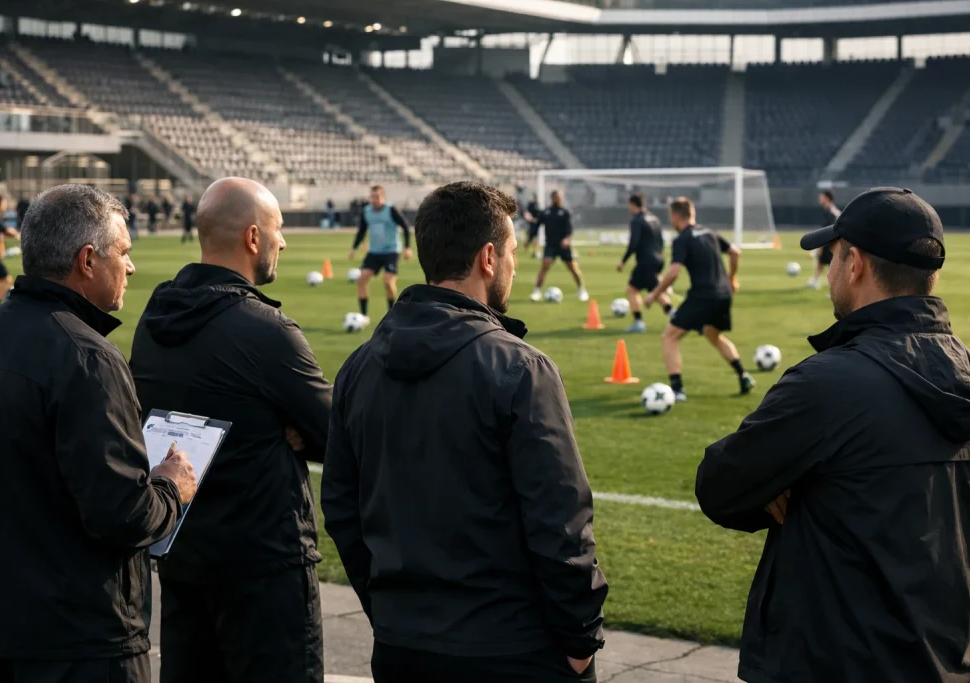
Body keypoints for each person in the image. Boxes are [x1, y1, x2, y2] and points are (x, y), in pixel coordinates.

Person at [696, 187, 970, 683]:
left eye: (833, 257)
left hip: (828, 663)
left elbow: (718, 486)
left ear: (855, 264)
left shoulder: (827, 383)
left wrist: (786, 488)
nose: (830, 271)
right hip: (940, 661)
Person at [323, 181, 609, 683]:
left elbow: (342, 509)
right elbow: (560, 520)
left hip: (402, 646)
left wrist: (389, 613)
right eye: (513, 252)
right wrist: (580, 640)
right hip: (510, 649)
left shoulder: (358, 367)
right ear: (489, 258)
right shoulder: (521, 368)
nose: (515, 266)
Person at [0, 184, 196, 683]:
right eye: (123, 252)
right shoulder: (87, 357)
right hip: (78, 640)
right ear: (88, 260)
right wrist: (171, 487)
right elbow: (123, 513)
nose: (131, 267)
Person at [130, 177, 333, 683]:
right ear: (253, 237)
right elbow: (340, 433)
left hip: (184, 557)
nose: (283, 242)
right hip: (265, 569)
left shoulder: (154, 320)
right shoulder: (267, 331)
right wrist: (299, 431)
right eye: (278, 229)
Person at [645, 197, 754, 401]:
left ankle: (677, 390)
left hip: (702, 296)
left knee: (669, 337)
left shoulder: (682, 239)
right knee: (713, 335)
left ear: (676, 216)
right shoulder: (710, 232)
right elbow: (734, 252)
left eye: (671, 217)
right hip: (723, 294)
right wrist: (731, 278)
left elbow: (674, 272)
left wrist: (654, 294)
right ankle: (743, 375)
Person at [348, 185, 411, 322]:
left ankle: (392, 315)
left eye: (377, 196)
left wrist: (407, 247)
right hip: (374, 252)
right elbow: (362, 231)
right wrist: (354, 248)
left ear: (383, 197)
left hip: (391, 251)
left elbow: (405, 226)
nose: (374, 199)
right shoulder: (367, 211)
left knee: (388, 282)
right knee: (362, 279)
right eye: (372, 196)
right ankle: (364, 316)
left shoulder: (391, 209)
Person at [617, 193, 671, 333]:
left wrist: (623, 261)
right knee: (654, 291)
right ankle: (673, 313)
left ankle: (639, 323)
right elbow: (661, 241)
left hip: (645, 261)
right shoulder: (654, 218)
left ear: (632, 204)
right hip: (658, 259)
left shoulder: (637, 220)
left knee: (632, 290)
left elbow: (633, 243)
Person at [530, 189, 589, 303]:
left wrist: (566, 239)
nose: (559, 199)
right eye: (558, 197)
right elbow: (536, 226)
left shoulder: (565, 212)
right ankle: (536, 292)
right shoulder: (546, 212)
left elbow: (569, 229)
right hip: (550, 245)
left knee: (573, 268)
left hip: (563, 246)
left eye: (560, 197)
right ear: (553, 198)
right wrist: (530, 238)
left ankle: (582, 290)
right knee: (544, 266)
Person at [808, 189, 840, 289]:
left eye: (821, 197)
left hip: (831, 242)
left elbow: (828, 231)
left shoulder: (831, 212)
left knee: (832, 266)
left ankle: (836, 289)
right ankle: (815, 281)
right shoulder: (831, 210)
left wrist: (820, 246)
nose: (819, 199)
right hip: (831, 241)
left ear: (827, 198)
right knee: (821, 262)